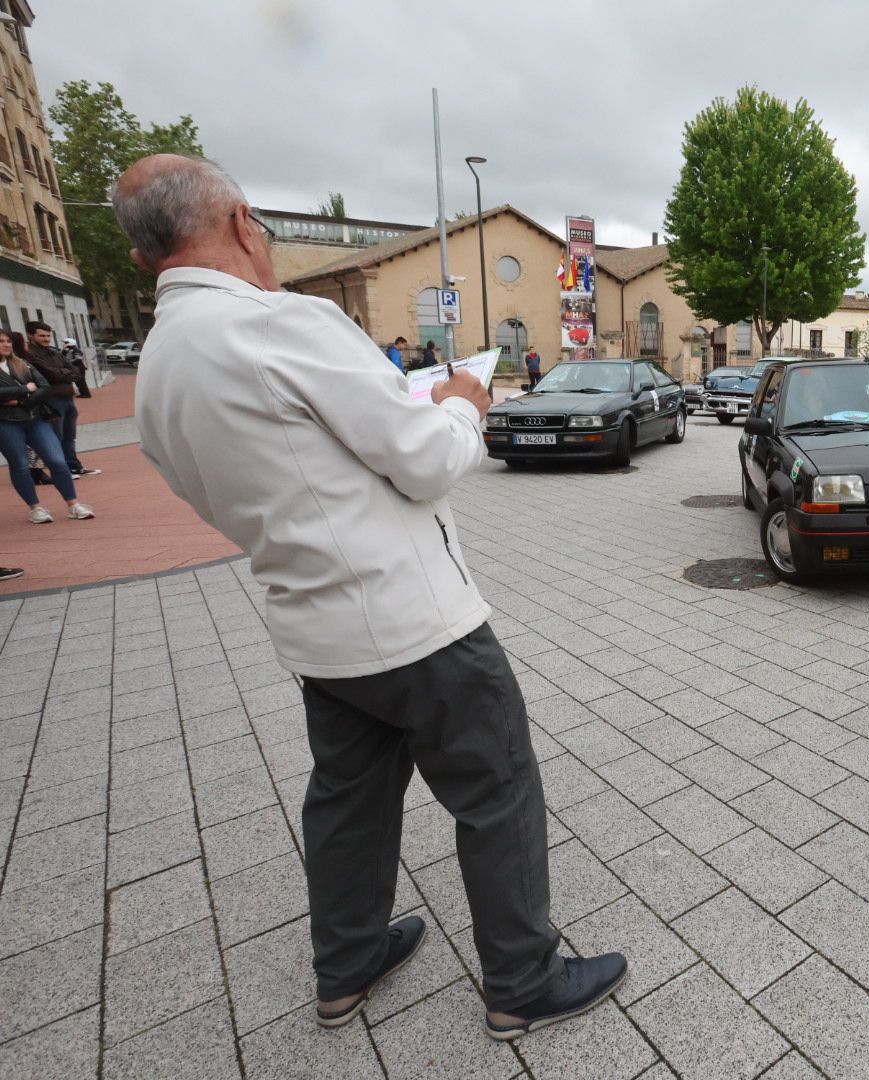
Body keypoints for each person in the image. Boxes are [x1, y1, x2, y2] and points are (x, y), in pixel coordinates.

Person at [112, 154, 625, 1038]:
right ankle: (522, 980)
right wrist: (463, 401)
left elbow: (214, 496)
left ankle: (344, 967)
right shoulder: (284, 324)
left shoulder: (155, 366)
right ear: (241, 222)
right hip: (415, 622)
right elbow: (424, 462)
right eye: (262, 227)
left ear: (143, 259)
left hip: (316, 631)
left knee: (348, 800)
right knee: (495, 789)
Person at [0, 330, 95, 523]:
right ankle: (35, 508)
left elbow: (44, 387)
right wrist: (25, 389)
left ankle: (73, 504)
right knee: (20, 465)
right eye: (1, 341)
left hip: (35, 419)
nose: (6, 344)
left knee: (57, 461)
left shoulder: (21, 364)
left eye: (8, 341)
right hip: (6, 423)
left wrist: (19, 401)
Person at [25, 321, 100, 478]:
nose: (46, 339)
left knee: (69, 435)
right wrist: (64, 373)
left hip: (67, 397)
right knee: (55, 436)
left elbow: (77, 371)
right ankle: (61, 470)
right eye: (42, 336)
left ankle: (73, 466)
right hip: (51, 400)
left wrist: (62, 373)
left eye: (48, 335)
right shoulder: (30, 354)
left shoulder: (55, 352)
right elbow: (48, 374)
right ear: (31, 335)